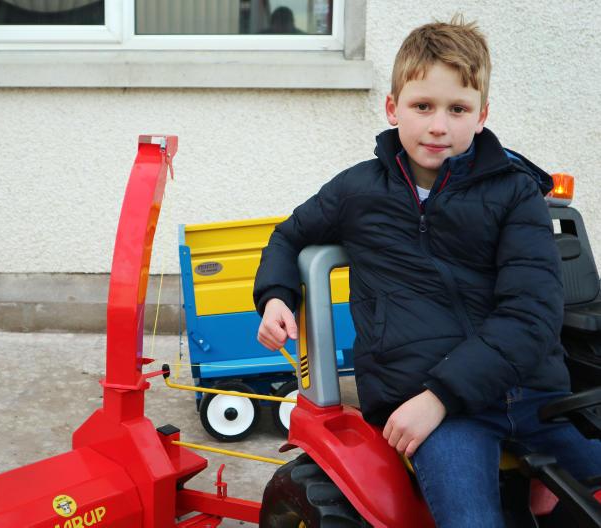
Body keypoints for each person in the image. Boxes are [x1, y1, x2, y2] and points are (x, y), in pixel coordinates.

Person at [253, 15, 601, 527]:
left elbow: (531, 314)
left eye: (457, 109)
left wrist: (443, 394)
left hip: (530, 393)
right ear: (393, 108)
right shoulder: (357, 192)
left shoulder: (516, 193)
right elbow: (288, 236)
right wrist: (277, 296)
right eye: (423, 106)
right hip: (431, 411)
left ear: (482, 115)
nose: (439, 126)